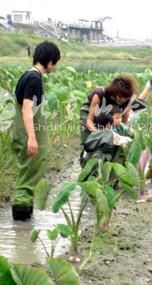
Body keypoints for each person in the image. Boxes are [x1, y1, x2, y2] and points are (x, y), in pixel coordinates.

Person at [11, 41, 61, 221]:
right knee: (28, 177)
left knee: (27, 173)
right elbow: (27, 109)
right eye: (54, 63)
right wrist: (32, 138)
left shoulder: (28, 75)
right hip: (27, 133)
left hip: (22, 131)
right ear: (48, 61)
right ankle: (21, 218)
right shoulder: (34, 79)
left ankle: (24, 221)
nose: (54, 67)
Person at [79, 76, 136, 164]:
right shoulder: (99, 94)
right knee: (90, 141)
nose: (123, 100)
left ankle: (109, 165)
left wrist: (120, 135)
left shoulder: (126, 101)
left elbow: (124, 124)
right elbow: (89, 121)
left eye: (126, 97)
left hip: (112, 115)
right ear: (115, 92)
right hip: (91, 112)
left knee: (114, 141)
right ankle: (86, 165)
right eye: (121, 97)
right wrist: (101, 135)